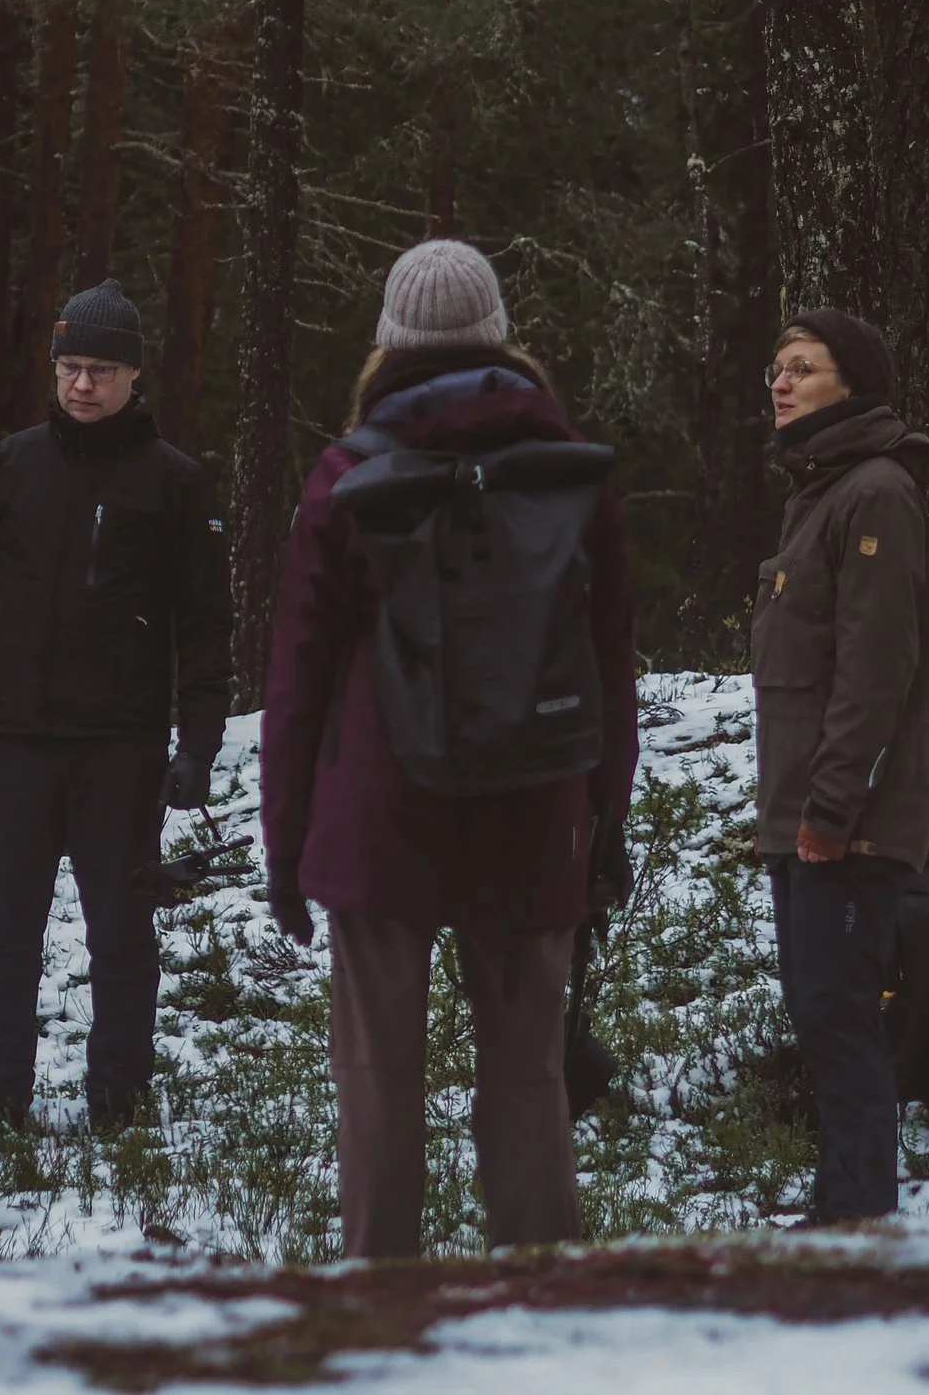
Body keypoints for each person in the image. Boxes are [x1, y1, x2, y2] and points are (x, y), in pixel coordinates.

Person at [260, 239, 639, 1258]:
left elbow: (296, 676)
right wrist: (604, 819)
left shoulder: (346, 477)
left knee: (378, 1081)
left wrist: (286, 843)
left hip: (378, 818)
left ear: (388, 343)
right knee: (528, 1079)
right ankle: (539, 1299)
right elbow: (611, 660)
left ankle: (383, 1304)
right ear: (499, 337)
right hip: (536, 810)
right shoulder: (571, 474)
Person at [0, 278, 232, 1130]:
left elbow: (207, 624)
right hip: (17, 743)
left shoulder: (174, 483)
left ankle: (119, 1105)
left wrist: (197, 745)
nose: (83, 385)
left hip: (121, 751)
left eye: (102, 368)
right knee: (6, 939)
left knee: (123, 939)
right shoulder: (11, 465)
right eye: (69, 365)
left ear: (134, 376)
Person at [755, 309, 929, 1226]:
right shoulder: (819, 495)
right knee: (824, 1018)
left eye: (802, 368)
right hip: (807, 818)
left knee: (840, 1020)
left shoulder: (874, 492)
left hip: (847, 825)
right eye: (775, 371)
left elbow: (876, 672)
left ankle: (860, 1224)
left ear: (854, 383)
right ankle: (843, 1214)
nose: (781, 384)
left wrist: (830, 811)